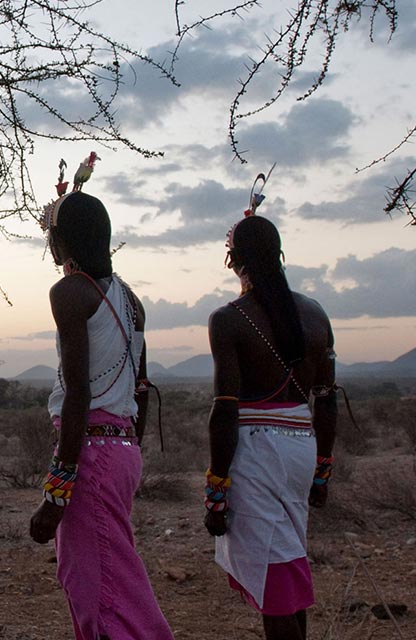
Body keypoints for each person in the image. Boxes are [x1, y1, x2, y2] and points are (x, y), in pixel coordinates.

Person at [28, 175, 173, 640]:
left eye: (51, 231)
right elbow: (142, 388)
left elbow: (78, 394)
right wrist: (131, 447)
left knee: (103, 591)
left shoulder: (70, 293)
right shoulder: (130, 300)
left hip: (90, 454)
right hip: (120, 449)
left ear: (64, 239)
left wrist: (56, 492)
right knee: (103, 575)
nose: (49, 241)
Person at [205, 213, 337, 640]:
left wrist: (216, 490)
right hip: (301, 448)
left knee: (275, 577)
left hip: (256, 454)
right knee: (287, 563)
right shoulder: (316, 314)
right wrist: (322, 470)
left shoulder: (228, 319)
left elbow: (224, 410)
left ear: (234, 261)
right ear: (279, 254)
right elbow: (327, 399)